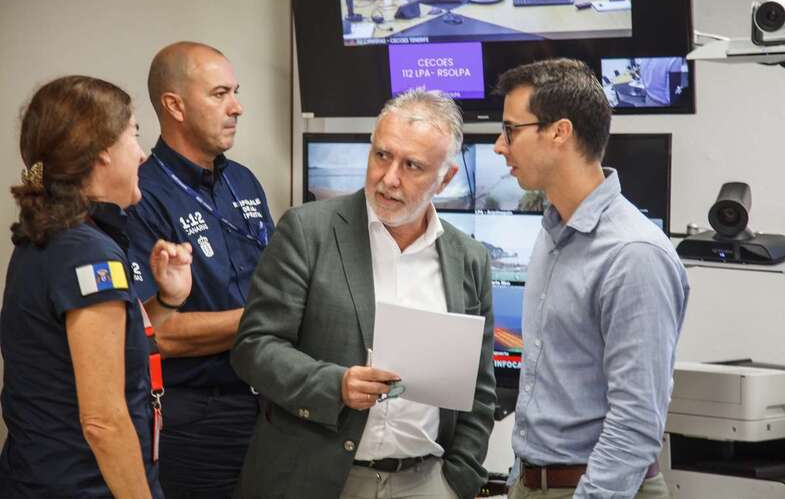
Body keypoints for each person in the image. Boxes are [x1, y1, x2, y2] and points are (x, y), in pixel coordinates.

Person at [231, 89, 496, 499]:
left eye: (412, 166)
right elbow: (254, 347)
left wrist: (455, 480)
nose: (389, 178)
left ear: (445, 178)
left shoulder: (469, 259)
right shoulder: (307, 231)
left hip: (425, 482)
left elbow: (478, 390)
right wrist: (334, 385)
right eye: (382, 156)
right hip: (316, 479)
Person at [493, 58, 689, 499]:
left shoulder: (634, 254)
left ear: (559, 132)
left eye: (510, 130)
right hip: (533, 484)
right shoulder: (552, 232)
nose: (499, 147)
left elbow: (635, 422)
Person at [0, 75, 192, 498]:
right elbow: (103, 420)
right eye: (134, 136)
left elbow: (102, 350)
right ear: (103, 151)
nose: (142, 155)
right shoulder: (85, 251)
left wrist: (165, 300)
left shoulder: (52, 235)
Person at [125, 41, 274, 498]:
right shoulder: (140, 194)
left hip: (268, 408)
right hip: (194, 422)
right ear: (175, 106)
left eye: (236, 92)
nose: (237, 107)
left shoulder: (243, 180)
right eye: (220, 94)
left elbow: (275, 285)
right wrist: (276, 319)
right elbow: (158, 334)